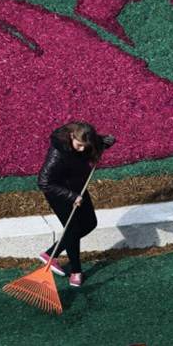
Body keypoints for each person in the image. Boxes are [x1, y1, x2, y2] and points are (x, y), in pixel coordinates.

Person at [36, 122, 115, 287]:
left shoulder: (86, 141)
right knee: (72, 230)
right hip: (61, 194)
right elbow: (43, 182)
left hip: (79, 188)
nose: (81, 149)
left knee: (90, 223)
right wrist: (71, 196)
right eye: (79, 145)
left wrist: (105, 142)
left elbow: (97, 143)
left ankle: (51, 254)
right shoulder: (57, 152)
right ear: (72, 136)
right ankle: (76, 272)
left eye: (84, 146)